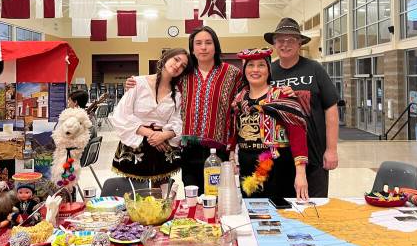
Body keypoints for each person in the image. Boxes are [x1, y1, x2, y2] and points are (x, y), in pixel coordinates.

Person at [126, 27, 242, 192]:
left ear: (215, 46)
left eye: (208, 43)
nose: (203, 47)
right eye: (198, 43)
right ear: (192, 49)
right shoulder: (183, 74)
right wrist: (136, 83)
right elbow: (158, 88)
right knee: (192, 197)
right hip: (188, 150)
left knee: (216, 199)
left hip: (219, 151)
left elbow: (247, 98)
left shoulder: (232, 74)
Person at [267, 18, 340, 197]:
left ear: (300, 43)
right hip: (280, 155)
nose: (285, 44)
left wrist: (331, 150)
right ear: (274, 43)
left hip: (314, 152)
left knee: (315, 206)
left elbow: (331, 110)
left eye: (291, 39)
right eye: (280, 40)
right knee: (283, 207)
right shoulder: (269, 71)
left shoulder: (314, 69)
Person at [229, 48, 310, 205]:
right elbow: (235, 132)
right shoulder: (239, 99)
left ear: (269, 70)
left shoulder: (282, 96)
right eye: (250, 65)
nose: (255, 70)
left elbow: (298, 135)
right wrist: (232, 157)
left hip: (278, 168)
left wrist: (301, 174)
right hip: (247, 167)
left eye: (261, 65)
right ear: (244, 70)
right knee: (252, 213)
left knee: (281, 218)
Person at [109, 48, 188, 187]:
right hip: (136, 142)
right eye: (176, 60)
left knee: (161, 194)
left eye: (183, 66)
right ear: (165, 58)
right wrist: (152, 134)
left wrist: (164, 136)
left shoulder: (179, 93)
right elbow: (122, 114)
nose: (178, 66)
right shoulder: (138, 83)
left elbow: (179, 120)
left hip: (163, 144)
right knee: (135, 193)